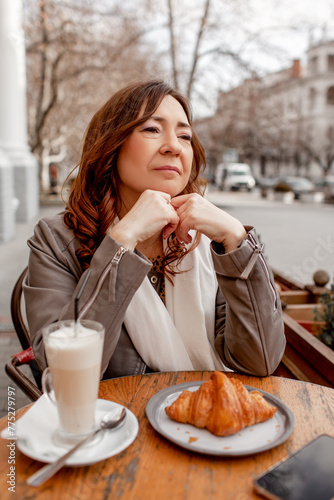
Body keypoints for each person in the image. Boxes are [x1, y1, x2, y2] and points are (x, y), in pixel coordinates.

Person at [24, 79, 285, 380]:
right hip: (118, 421)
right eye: (152, 129)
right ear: (111, 145)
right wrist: (121, 242)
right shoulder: (56, 239)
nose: (174, 146)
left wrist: (237, 242)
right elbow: (62, 374)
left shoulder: (210, 238)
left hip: (207, 419)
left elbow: (260, 361)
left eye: (185, 135)